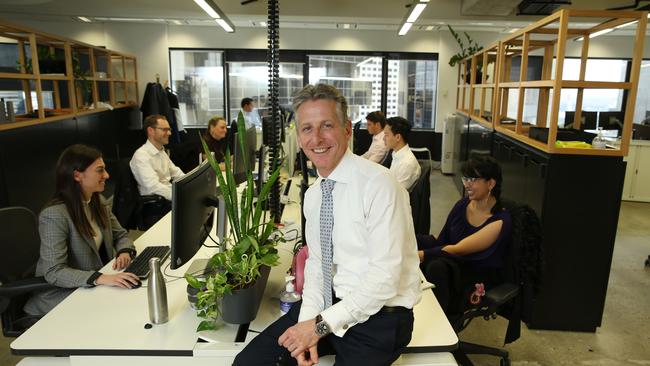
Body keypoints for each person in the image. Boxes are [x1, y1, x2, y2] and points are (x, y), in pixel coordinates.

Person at [233, 84, 421, 366]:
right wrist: (309, 322)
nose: (316, 138)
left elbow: (384, 279)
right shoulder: (314, 195)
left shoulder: (380, 185)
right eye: (307, 128)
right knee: (248, 363)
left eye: (327, 125)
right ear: (299, 135)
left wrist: (317, 327)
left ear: (346, 129)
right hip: (330, 304)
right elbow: (318, 265)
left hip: (379, 317)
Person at [24, 145, 140, 317]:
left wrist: (124, 251)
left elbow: (121, 234)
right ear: (77, 175)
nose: (107, 175)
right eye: (100, 171)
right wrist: (99, 278)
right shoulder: (55, 215)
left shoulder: (97, 201)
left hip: (91, 286)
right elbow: (54, 271)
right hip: (62, 295)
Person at [417, 155, 512, 314]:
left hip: (475, 273)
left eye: (473, 179)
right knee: (415, 240)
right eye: (465, 179)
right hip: (453, 262)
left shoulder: (500, 221)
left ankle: (442, 322)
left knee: (436, 266)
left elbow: (458, 249)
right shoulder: (463, 204)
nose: (467, 184)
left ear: (491, 183)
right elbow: (443, 241)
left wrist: (421, 255)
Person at [130, 114, 184, 202]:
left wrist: (190, 186)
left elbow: (176, 173)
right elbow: (153, 187)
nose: (169, 133)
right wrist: (179, 197)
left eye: (169, 129)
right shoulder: (141, 156)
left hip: (168, 197)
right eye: (165, 130)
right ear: (150, 131)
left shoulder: (161, 151)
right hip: (156, 204)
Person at [384, 116, 421, 190]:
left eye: (386, 135)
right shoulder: (397, 153)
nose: (383, 138)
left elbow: (396, 195)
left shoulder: (406, 164)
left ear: (397, 137)